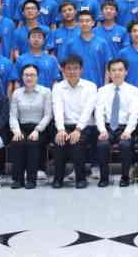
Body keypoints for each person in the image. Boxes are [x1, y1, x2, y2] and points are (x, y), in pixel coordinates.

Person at [51, 55, 98, 189]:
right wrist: (61, 130)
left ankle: (81, 178)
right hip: (64, 125)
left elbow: (88, 111)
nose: (72, 71)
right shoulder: (58, 87)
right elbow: (57, 109)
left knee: (77, 142)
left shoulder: (90, 86)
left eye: (75, 68)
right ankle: (58, 178)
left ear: (81, 70)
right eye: (69, 68)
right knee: (59, 141)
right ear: (63, 70)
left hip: (85, 126)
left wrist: (78, 130)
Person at [94, 58, 138, 187]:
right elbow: (99, 113)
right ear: (109, 73)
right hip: (107, 127)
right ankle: (104, 178)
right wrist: (102, 130)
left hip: (125, 128)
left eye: (120, 70)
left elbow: (135, 113)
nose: (117, 73)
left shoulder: (134, 90)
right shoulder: (102, 90)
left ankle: (125, 177)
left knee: (125, 145)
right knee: (102, 144)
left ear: (126, 72)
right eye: (113, 70)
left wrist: (128, 131)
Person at [8, 63, 53, 190]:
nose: (29, 78)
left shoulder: (45, 92)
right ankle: (17, 179)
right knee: (17, 142)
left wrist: (37, 130)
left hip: (41, 128)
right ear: (22, 77)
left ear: (37, 77)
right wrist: (16, 131)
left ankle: (31, 179)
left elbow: (48, 115)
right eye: (26, 75)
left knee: (32, 143)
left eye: (32, 75)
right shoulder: (17, 93)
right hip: (22, 126)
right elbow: (13, 116)